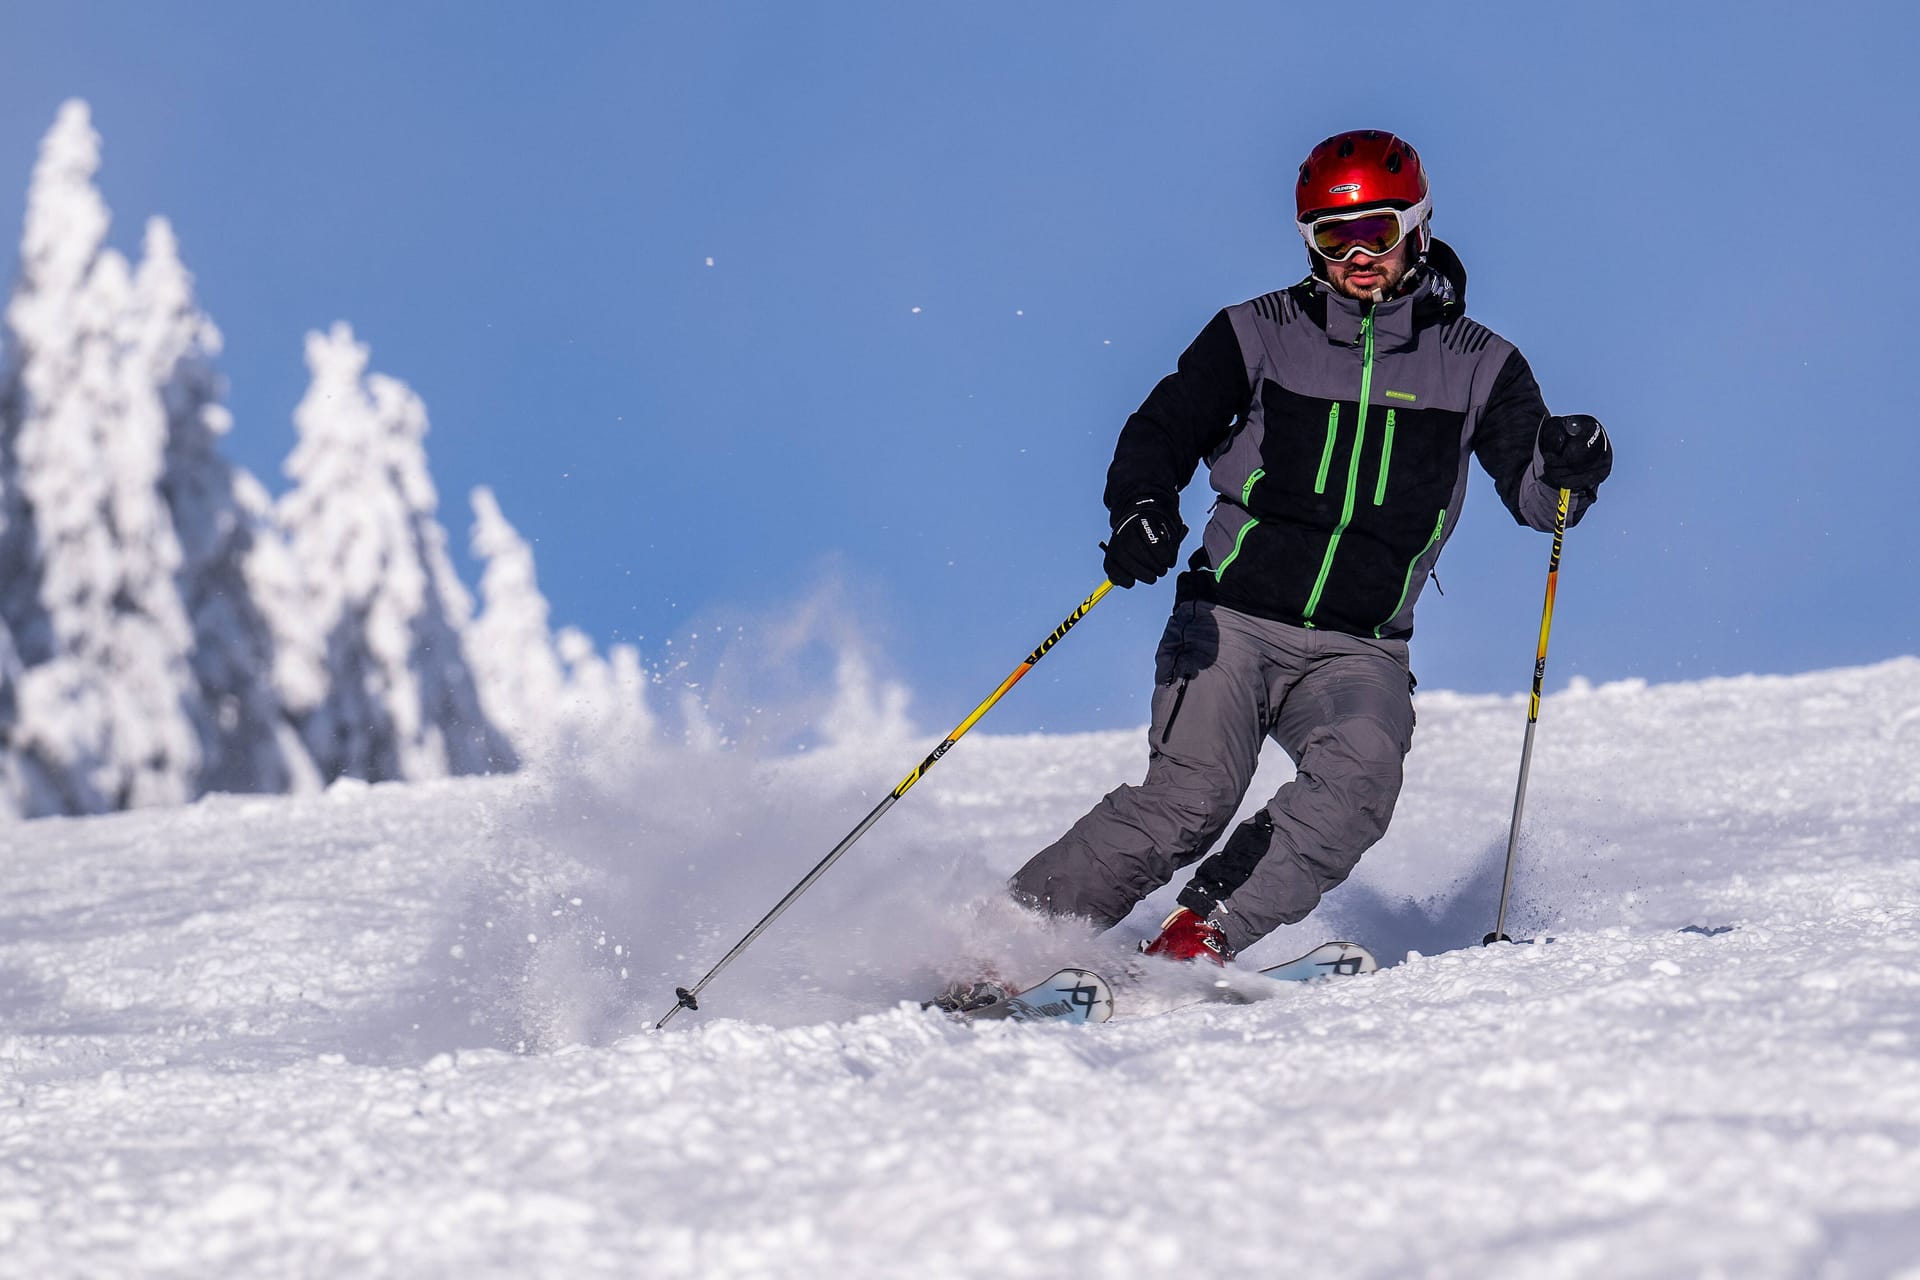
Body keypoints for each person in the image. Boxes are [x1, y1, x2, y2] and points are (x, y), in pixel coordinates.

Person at [1008, 129, 1613, 964]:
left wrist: (1568, 464)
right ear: (1310, 242)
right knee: (1192, 798)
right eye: (1335, 237)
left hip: (1359, 647)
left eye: (1379, 233)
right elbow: (1164, 426)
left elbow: (1536, 497)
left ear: (1418, 227)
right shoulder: (1257, 332)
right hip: (1231, 621)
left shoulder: (1480, 366)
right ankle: (1004, 942)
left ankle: (1197, 939)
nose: (1359, 256)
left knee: (1361, 780)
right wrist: (1141, 507)